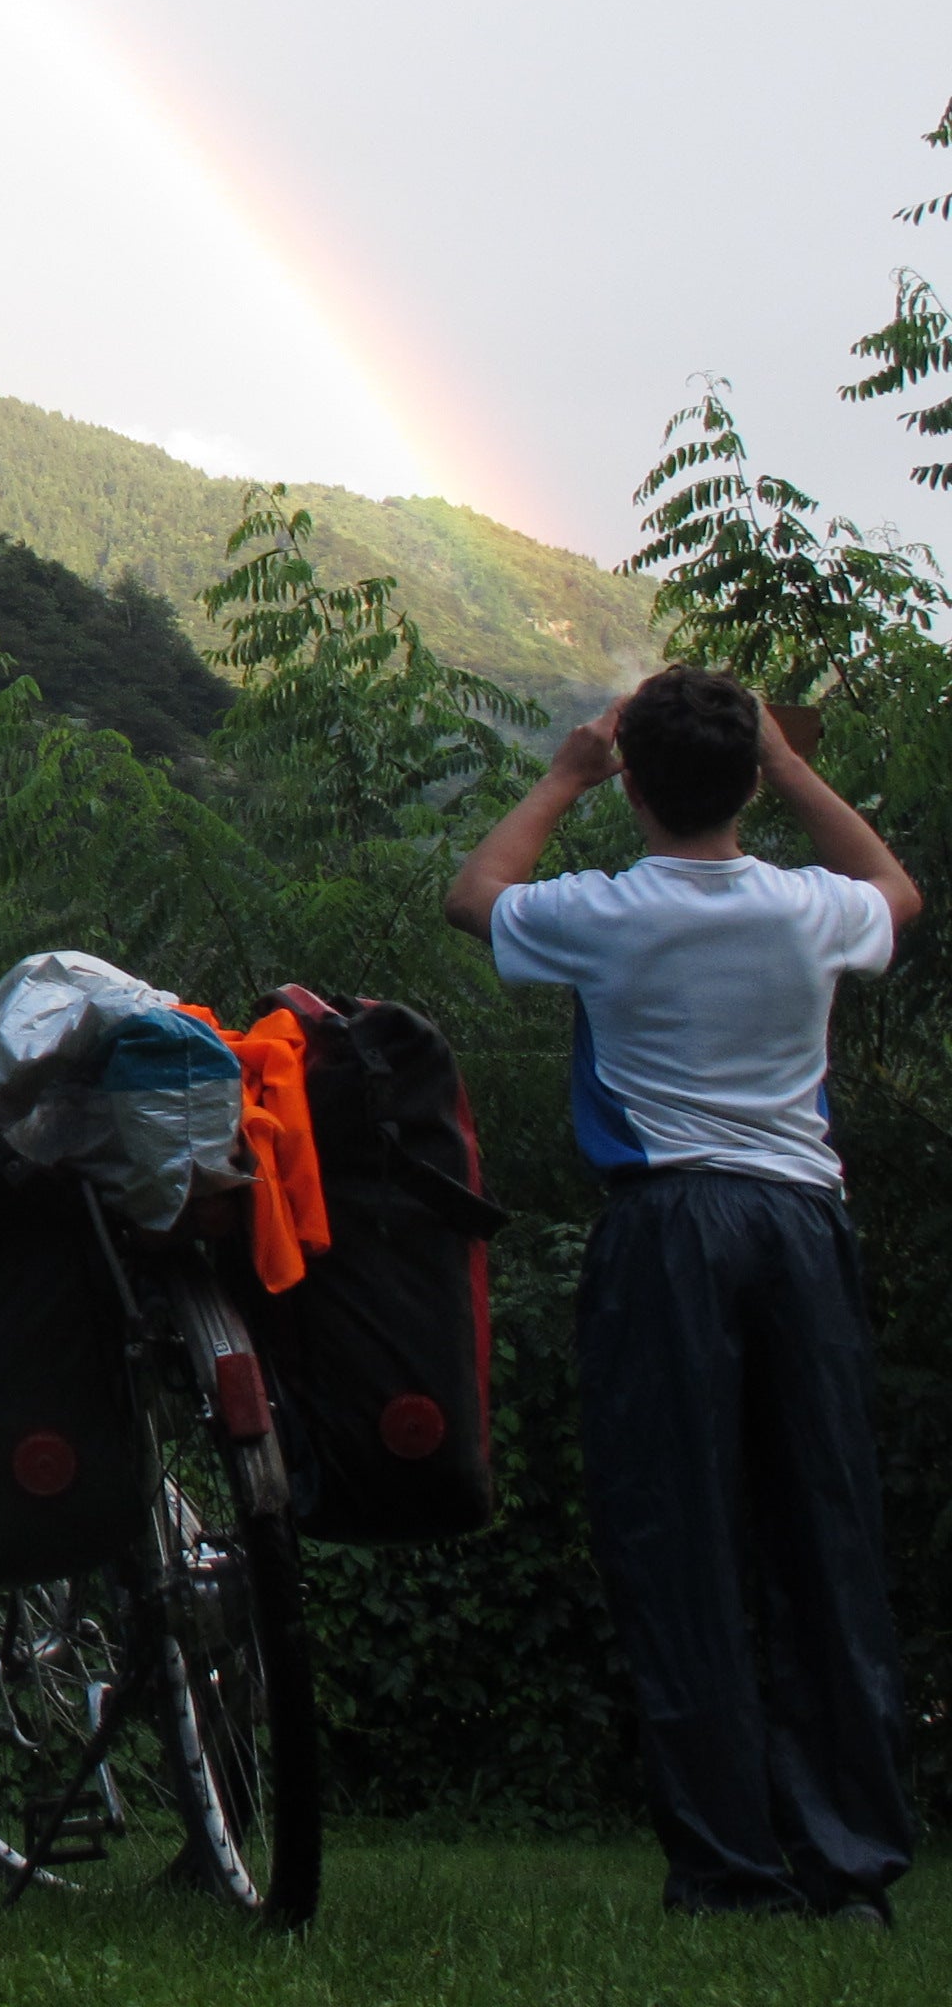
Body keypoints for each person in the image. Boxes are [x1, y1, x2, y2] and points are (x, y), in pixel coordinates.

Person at [444, 664, 919, 1923]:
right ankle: (851, 1866)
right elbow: (899, 893)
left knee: (681, 1540)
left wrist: (562, 771)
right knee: (824, 1535)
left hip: (668, 1228)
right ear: (750, 781)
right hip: (803, 1226)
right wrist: (794, 763)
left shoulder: (602, 912)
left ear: (635, 784)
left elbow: (473, 895)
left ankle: (729, 1867)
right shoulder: (809, 912)